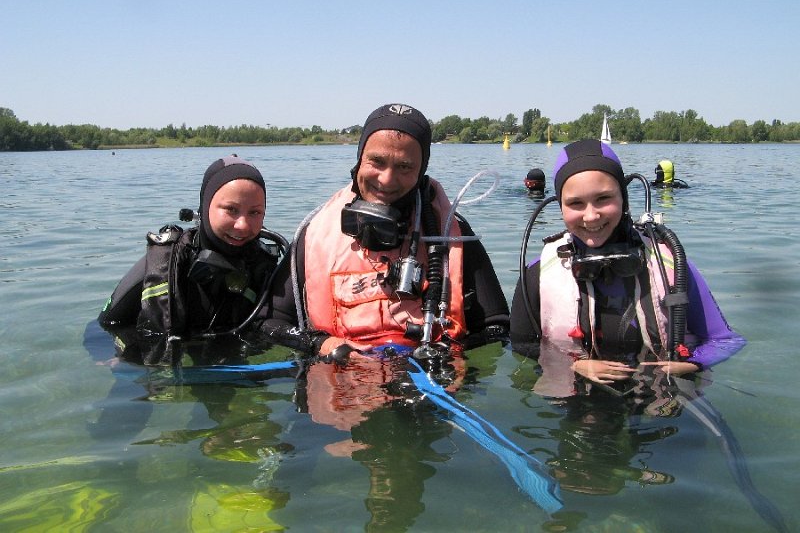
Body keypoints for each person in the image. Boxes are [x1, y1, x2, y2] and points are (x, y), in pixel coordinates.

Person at [258, 103, 510, 361]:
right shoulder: (315, 233)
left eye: (404, 166)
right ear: (359, 160)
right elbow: (269, 323)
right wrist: (320, 344)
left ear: (421, 171)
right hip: (338, 376)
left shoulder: (451, 233)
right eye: (377, 161)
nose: (387, 179)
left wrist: (444, 355)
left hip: (426, 379)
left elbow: (497, 328)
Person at [510, 139, 745, 389]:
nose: (591, 216)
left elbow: (725, 341)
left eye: (603, 198)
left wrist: (693, 363)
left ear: (624, 198)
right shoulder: (538, 272)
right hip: (576, 398)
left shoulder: (670, 263)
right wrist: (574, 365)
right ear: (560, 206)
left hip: (661, 397)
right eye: (575, 203)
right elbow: (521, 346)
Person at [98, 155, 286, 365]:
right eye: (231, 209)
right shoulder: (165, 263)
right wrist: (126, 358)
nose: (242, 225)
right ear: (204, 207)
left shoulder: (266, 269)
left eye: (255, 212)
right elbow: (105, 327)